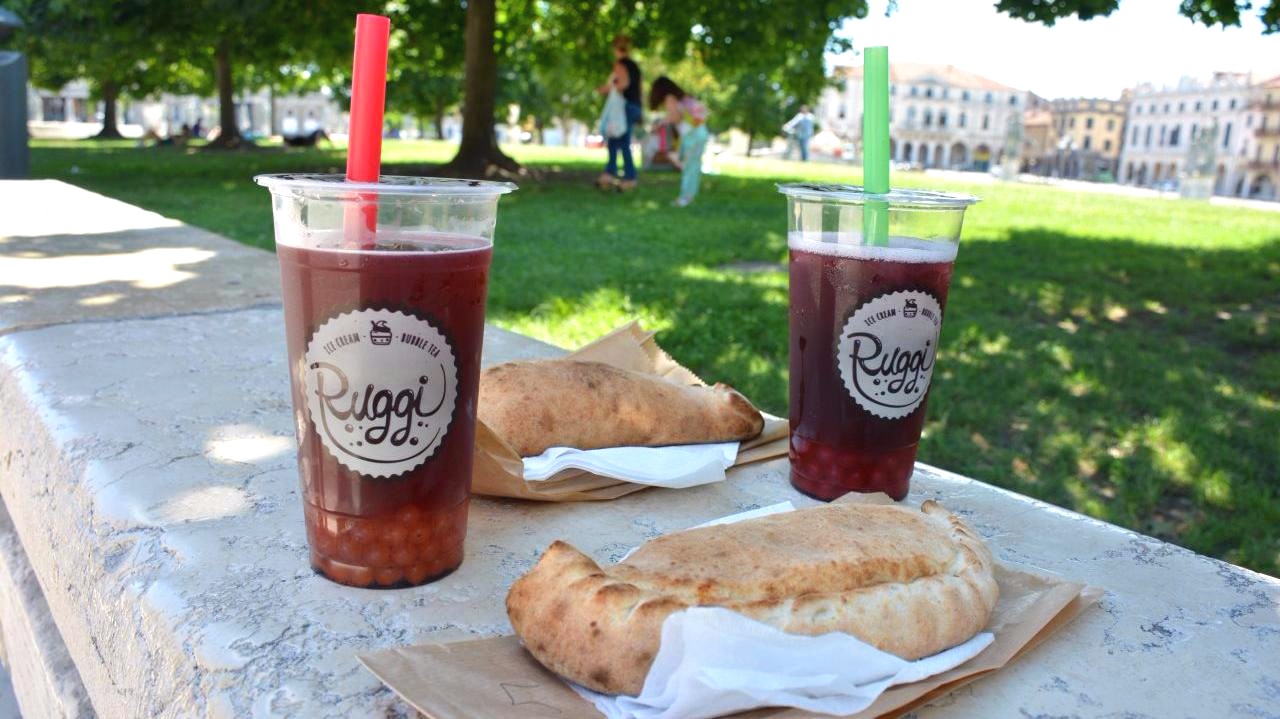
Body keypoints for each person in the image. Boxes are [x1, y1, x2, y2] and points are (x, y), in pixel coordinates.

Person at [649, 76, 708, 207]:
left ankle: (685, 198)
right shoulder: (682, 96)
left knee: (688, 167)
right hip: (700, 131)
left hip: (692, 135)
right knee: (692, 166)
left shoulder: (670, 98)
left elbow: (676, 116)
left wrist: (661, 123)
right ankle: (689, 196)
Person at [596, 34, 643, 192]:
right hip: (634, 105)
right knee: (616, 140)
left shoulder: (620, 64)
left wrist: (606, 88)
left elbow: (623, 84)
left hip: (624, 107)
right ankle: (610, 173)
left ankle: (629, 177)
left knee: (622, 141)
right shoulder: (634, 66)